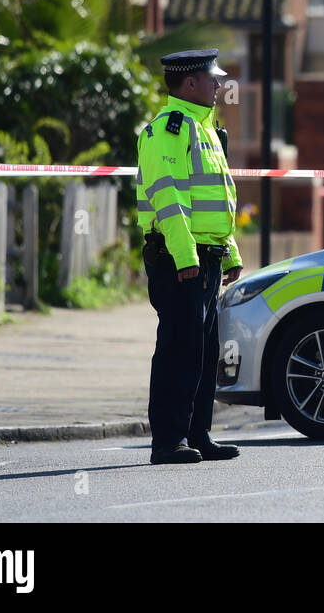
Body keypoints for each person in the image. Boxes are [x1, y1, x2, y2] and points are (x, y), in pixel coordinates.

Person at [137, 49, 244, 465]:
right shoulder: (168, 131)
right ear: (190, 83)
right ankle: (168, 441)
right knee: (179, 349)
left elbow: (218, 201)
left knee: (203, 349)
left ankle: (197, 434)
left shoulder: (207, 132)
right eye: (211, 78)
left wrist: (230, 251)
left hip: (207, 258)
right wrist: (185, 257)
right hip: (180, 259)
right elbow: (169, 200)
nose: (219, 85)